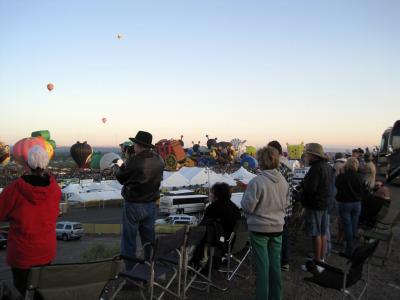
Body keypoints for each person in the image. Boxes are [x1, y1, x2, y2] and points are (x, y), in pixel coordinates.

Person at [0, 146, 61, 296]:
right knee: (39, 289)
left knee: (23, 289)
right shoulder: (55, 189)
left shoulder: (14, 189)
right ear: (46, 164)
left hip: (22, 254)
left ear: (27, 164)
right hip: (46, 251)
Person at [241, 146, 289, 300]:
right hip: (278, 227)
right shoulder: (283, 181)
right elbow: (286, 204)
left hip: (259, 228)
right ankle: (276, 296)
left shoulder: (257, 181)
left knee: (262, 269)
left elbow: (248, 206)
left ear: (260, 161)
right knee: (275, 266)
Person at [112, 131, 164, 269]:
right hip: (151, 204)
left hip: (134, 205)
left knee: (129, 241)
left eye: (134, 143)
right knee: (149, 240)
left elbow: (122, 178)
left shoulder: (135, 160)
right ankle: (150, 268)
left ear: (138, 145)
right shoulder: (159, 159)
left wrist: (116, 167)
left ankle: (130, 273)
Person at [300, 143, 332, 271]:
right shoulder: (327, 166)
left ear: (313, 155)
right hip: (324, 204)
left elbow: (310, 189)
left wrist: (301, 195)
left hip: (315, 205)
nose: (306, 156)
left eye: (307, 154)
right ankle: (321, 260)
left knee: (316, 234)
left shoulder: (316, 168)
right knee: (323, 233)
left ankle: (317, 263)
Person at [267, 140, 293, 272]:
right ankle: (285, 262)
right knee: (285, 235)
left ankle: (276, 262)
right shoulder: (287, 166)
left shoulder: (276, 168)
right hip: (286, 208)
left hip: (277, 209)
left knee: (276, 237)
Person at [335, 157, 365, 256]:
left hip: (345, 203)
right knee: (353, 225)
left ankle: (349, 249)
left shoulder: (342, 176)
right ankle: (351, 246)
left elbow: (337, 185)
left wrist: (341, 172)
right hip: (357, 203)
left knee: (347, 226)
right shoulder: (360, 176)